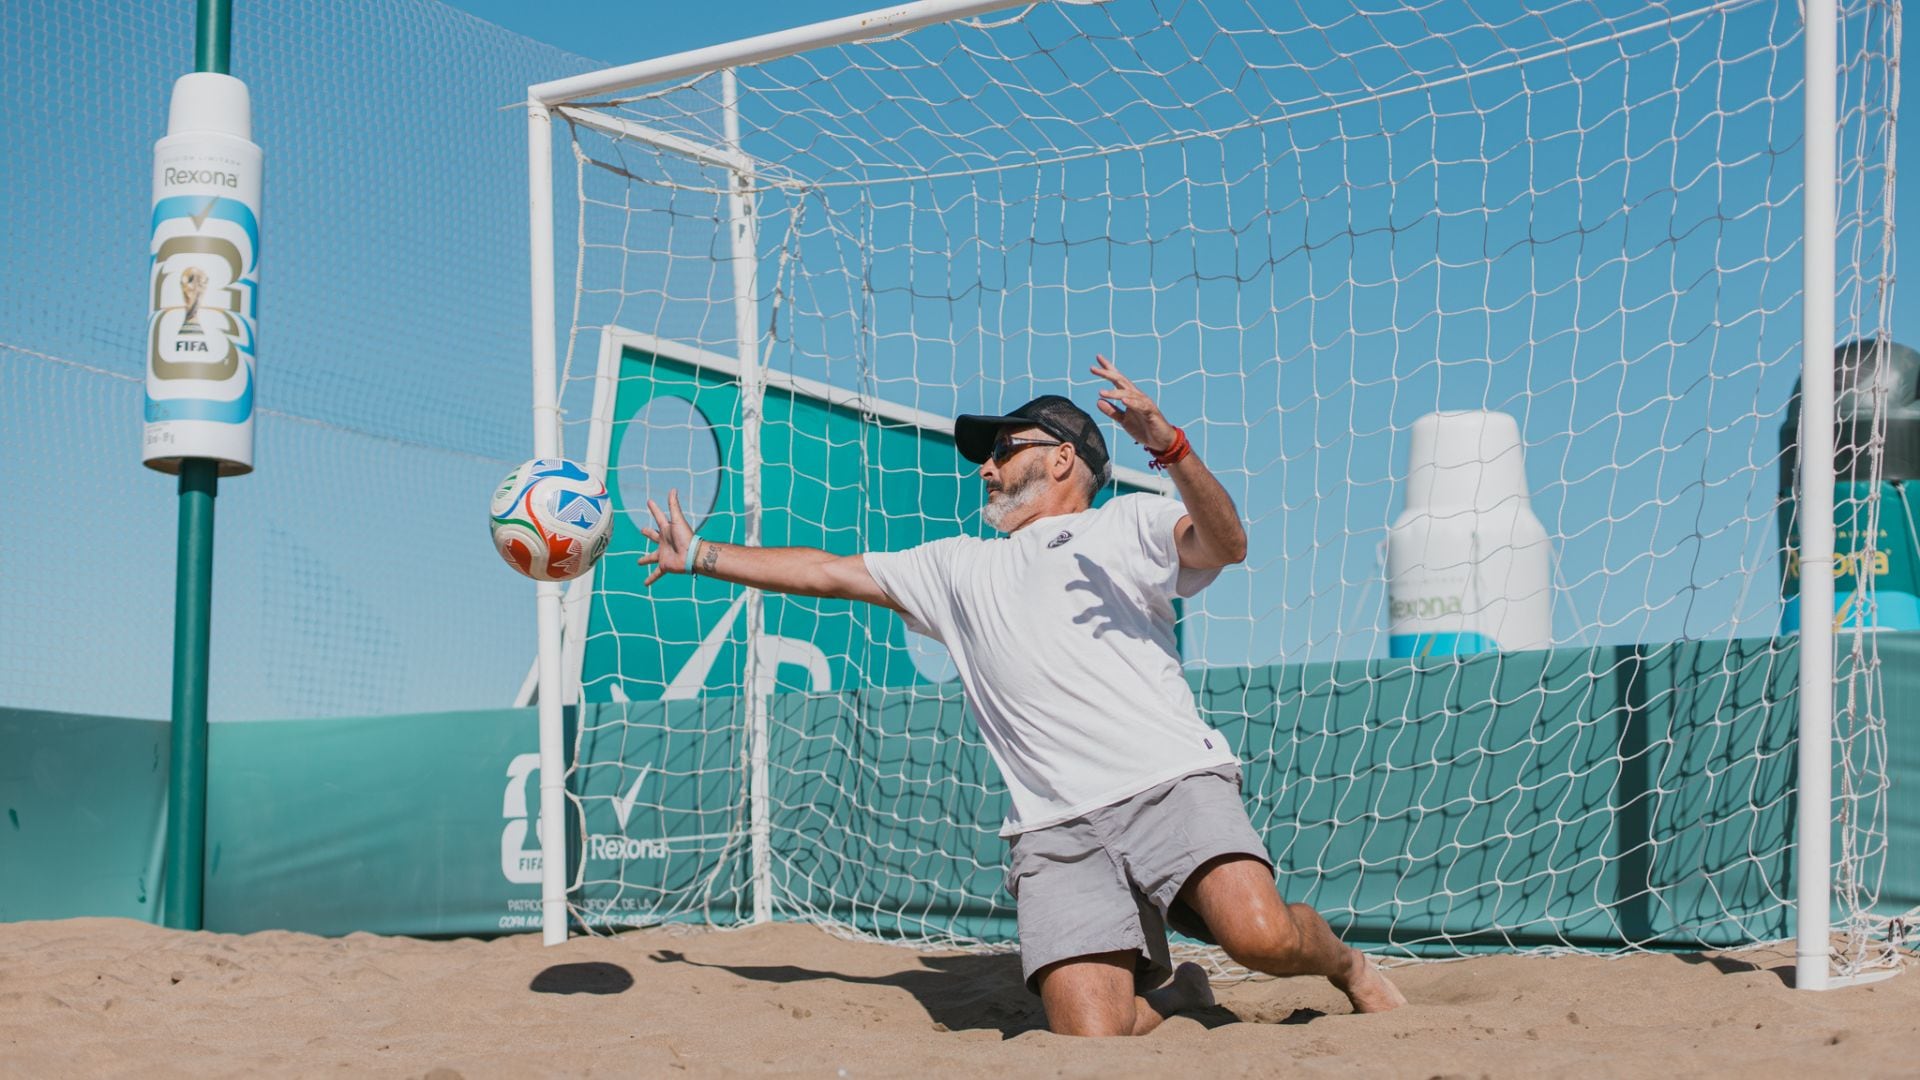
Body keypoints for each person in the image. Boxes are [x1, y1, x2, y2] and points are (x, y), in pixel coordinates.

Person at [637, 354, 1405, 1036]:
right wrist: (700, 554)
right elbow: (827, 572)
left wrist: (1169, 446)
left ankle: (1348, 965)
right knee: (1091, 1035)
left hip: (1169, 783)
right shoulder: (957, 567)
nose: (986, 467)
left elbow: (1228, 545)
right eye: (987, 455)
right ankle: (1181, 995)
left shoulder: (1126, 523)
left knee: (1262, 938)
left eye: (1005, 449)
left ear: (1064, 457)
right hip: (1055, 825)